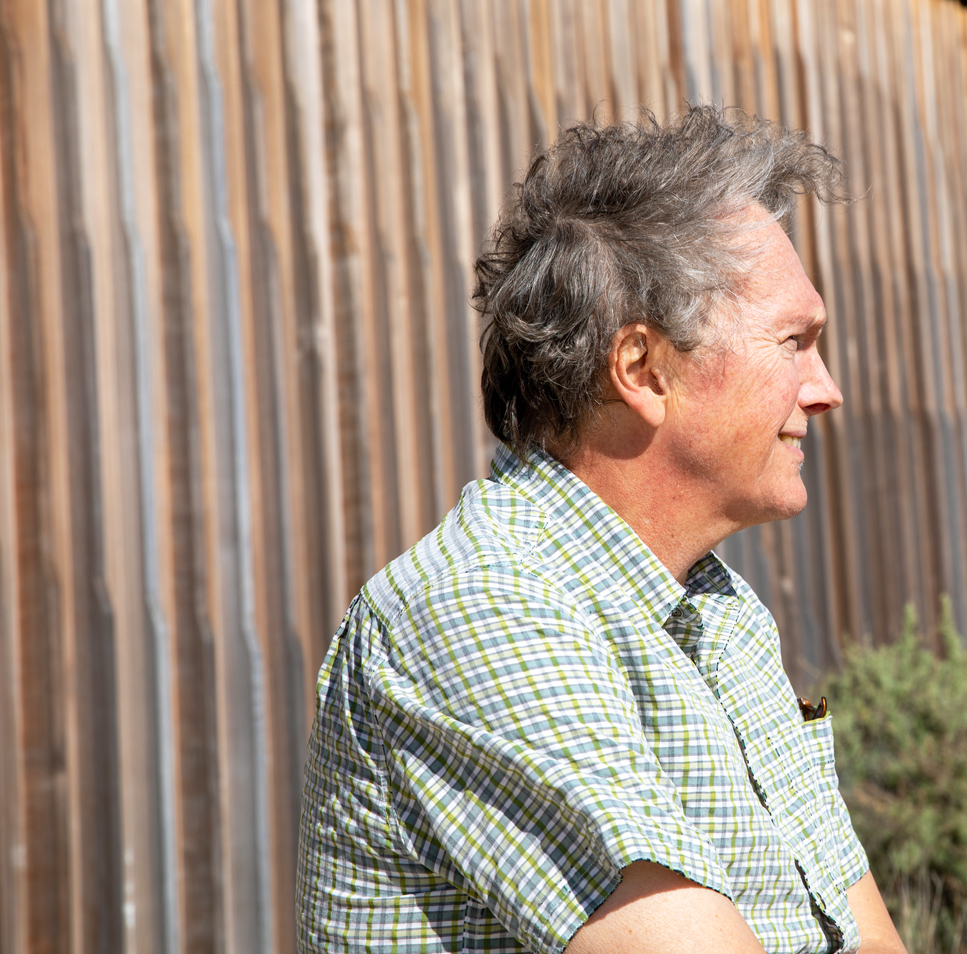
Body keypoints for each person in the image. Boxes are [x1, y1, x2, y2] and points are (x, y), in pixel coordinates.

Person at [295, 106, 905, 954]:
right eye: (794, 342)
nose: (826, 388)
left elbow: (869, 940)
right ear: (642, 369)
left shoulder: (722, 614)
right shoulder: (481, 608)